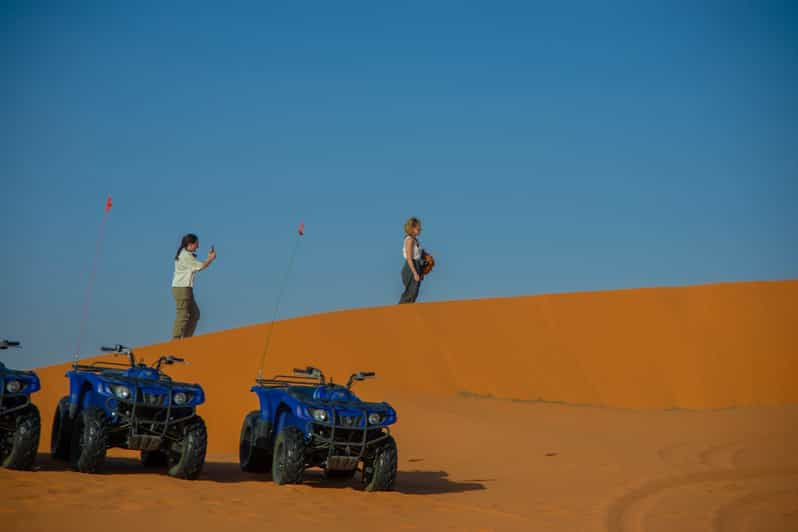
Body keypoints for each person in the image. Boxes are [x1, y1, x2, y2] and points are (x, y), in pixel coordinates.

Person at [171, 233, 216, 339]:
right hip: (181, 289)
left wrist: (209, 258)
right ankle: (175, 341)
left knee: (194, 314)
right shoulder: (185, 255)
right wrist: (210, 258)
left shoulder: (186, 254)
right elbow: (200, 266)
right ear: (190, 244)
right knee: (182, 315)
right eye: (196, 244)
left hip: (186, 289)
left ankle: (186, 339)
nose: (198, 246)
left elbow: (198, 265)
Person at [399, 217, 424, 304]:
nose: (420, 229)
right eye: (418, 227)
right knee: (410, 293)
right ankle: (398, 312)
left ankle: (407, 314)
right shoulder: (409, 240)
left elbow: (418, 255)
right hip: (410, 267)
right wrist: (415, 273)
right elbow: (409, 258)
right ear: (412, 228)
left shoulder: (415, 240)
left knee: (414, 293)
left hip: (416, 266)